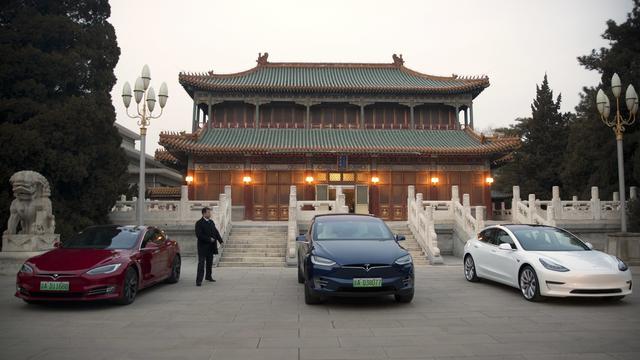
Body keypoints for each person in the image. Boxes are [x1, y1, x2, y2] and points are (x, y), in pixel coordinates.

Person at [195, 207, 223, 286]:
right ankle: (199, 280)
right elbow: (199, 235)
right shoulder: (199, 223)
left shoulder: (211, 222)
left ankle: (208, 276)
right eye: (208, 212)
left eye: (210, 212)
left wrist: (221, 241)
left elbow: (216, 232)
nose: (210, 214)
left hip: (211, 247)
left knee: (209, 262)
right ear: (204, 213)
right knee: (201, 263)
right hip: (202, 247)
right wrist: (208, 239)